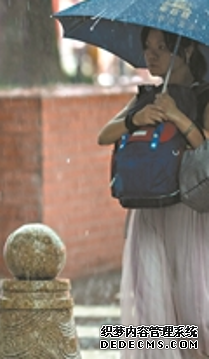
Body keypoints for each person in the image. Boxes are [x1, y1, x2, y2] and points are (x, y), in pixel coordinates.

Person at [98, 27, 209, 358]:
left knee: (197, 308)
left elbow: (205, 148)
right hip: (147, 212)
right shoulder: (145, 94)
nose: (152, 54)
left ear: (187, 51)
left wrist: (175, 114)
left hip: (189, 211)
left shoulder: (204, 95)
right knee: (152, 301)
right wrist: (137, 118)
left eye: (162, 47)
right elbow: (105, 135)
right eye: (148, 47)